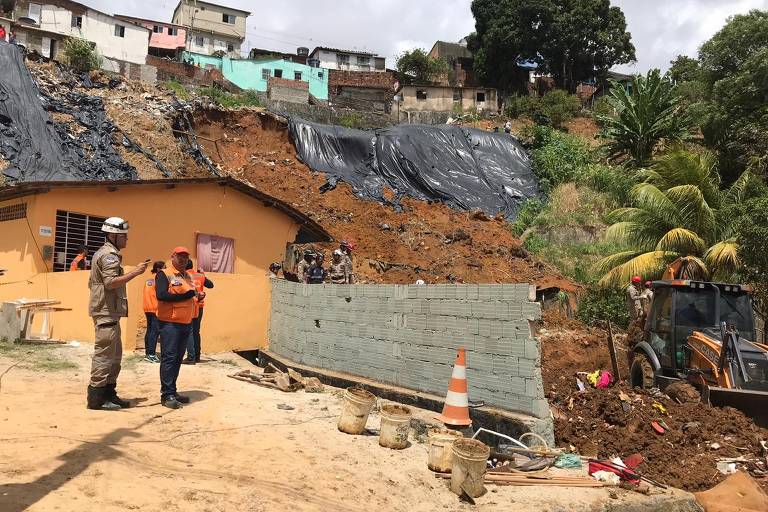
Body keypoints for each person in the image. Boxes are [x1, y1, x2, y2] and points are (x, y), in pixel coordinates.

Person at [87, 217, 148, 411]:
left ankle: (109, 394)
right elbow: (110, 282)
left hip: (110, 312)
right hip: (106, 311)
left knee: (114, 356)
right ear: (113, 235)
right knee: (104, 355)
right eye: (124, 236)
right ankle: (96, 398)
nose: (127, 240)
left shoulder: (108, 253)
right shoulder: (109, 255)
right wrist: (136, 272)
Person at [155, 247, 200, 409]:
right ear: (172, 256)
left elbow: (190, 294)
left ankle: (173, 390)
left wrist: (196, 296)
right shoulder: (164, 274)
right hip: (169, 323)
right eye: (179, 256)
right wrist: (184, 297)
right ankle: (166, 395)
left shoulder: (187, 276)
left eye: (185, 257)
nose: (183, 259)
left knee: (177, 358)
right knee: (169, 357)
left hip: (185, 323)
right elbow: (161, 295)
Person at [184, 260, 214, 365]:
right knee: (196, 332)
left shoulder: (183, 275)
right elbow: (211, 285)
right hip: (199, 306)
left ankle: (191, 357)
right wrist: (203, 275)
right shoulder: (199, 276)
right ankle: (197, 356)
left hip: (188, 306)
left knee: (189, 331)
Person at [143, 261, 165, 363]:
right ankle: (151, 354)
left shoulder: (148, 280)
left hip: (147, 308)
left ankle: (148, 353)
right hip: (155, 308)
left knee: (149, 330)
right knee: (154, 332)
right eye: (164, 268)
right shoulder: (158, 280)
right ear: (159, 269)